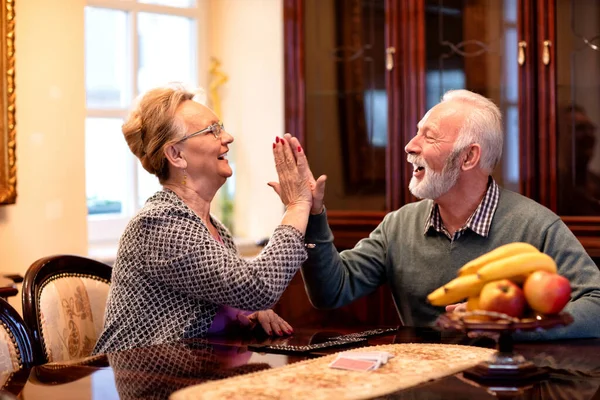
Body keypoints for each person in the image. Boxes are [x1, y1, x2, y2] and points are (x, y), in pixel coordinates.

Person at [296, 89, 600, 340]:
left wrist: (513, 326)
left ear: (469, 157)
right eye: (417, 133)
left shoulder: (537, 226)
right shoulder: (398, 225)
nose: (409, 146)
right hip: (421, 385)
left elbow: (596, 305)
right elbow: (330, 292)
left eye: (429, 137)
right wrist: (312, 214)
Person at [94, 83, 314, 354]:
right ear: (176, 155)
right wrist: (298, 205)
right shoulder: (158, 223)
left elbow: (213, 307)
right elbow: (258, 288)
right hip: (143, 382)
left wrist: (242, 317)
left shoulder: (213, 227)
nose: (228, 137)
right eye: (213, 130)